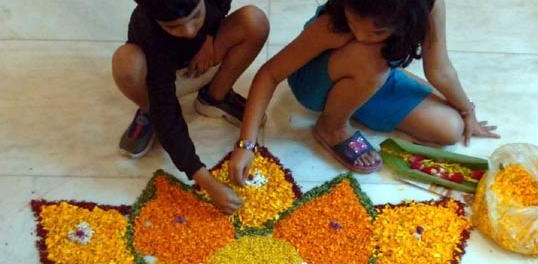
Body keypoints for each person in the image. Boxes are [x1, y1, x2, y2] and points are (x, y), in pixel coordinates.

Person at [229, 0, 499, 184]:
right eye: (353, 22)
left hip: (372, 69)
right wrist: (246, 144)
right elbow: (269, 74)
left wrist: (467, 110)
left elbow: (439, 69)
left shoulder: (427, 6)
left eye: (376, 31)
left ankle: (372, 80)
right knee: (369, 55)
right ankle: (331, 127)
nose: (359, 35)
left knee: (449, 129)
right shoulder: (334, 25)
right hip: (315, 81)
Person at [112, 0, 269, 213]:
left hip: (205, 59)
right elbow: (167, 110)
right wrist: (207, 182)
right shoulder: (146, 27)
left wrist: (209, 36)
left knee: (254, 20)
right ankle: (148, 109)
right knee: (127, 63)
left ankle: (214, 97)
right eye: (173, 26)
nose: (189, 31)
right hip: (162, 79)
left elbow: (221, 7)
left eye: (196, 16)